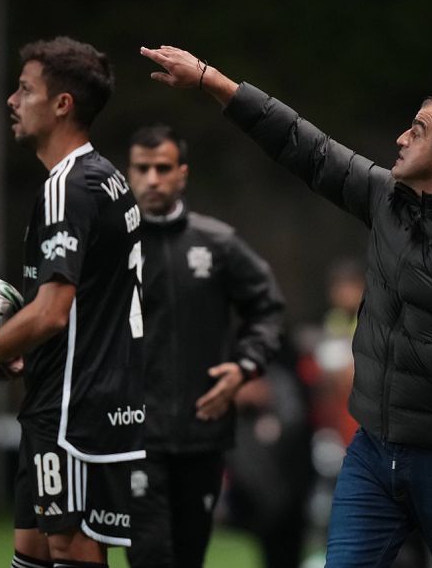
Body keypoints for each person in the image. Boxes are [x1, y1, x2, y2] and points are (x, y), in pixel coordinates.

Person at [140, 46, 432, 568]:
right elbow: (308, 147)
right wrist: (213, 81)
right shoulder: (387, 200)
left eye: (417, 130)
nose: (401, 138)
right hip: (371, 453)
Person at [0, 37, 145, 568]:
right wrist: (14, 354)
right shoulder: (106, 178)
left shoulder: (68, 188)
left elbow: (52, 312)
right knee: (31, 546)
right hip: (77, 394)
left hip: (74, 408)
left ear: (62, 104)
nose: (12, 100)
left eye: (25, 89)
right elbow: (90, 309)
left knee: (69, 545)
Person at [123, 123, 285, 567]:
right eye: (142, 168)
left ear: (183, 173)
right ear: (129, 173)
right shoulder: (112, 245)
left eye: (162, 168)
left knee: (189, 555)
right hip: (133, 432)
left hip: (203, 431)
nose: (152, 179)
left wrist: (245, 366)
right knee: (150, 556)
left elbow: (267, 308)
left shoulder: (217, 243)